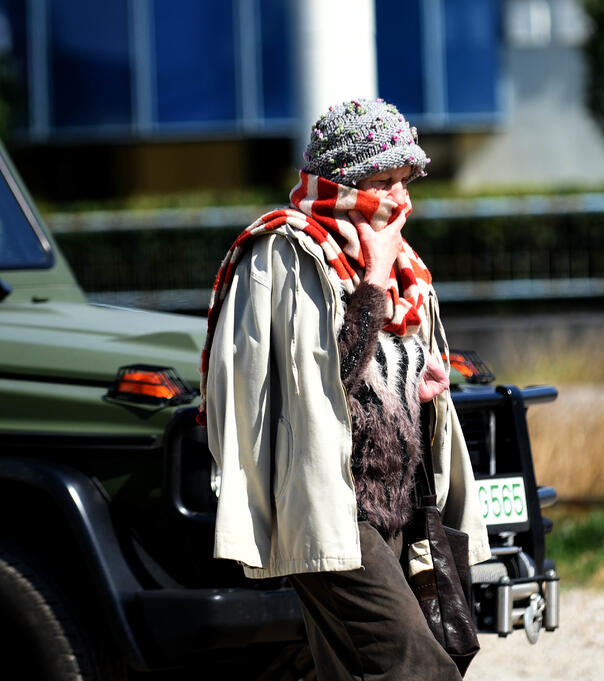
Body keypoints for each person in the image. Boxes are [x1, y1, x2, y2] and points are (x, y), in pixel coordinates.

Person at [200, 98, 490, 680]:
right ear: (343, 182)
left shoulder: (400, 261)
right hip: (334, 509)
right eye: (382, 182)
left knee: (358, 671)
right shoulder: (288, 253)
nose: (396, 201)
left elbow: (382, 370)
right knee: (418, 668)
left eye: (404, 183)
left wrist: (424, 384)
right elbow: (326, 382)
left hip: (399, 511)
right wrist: (376, 278)